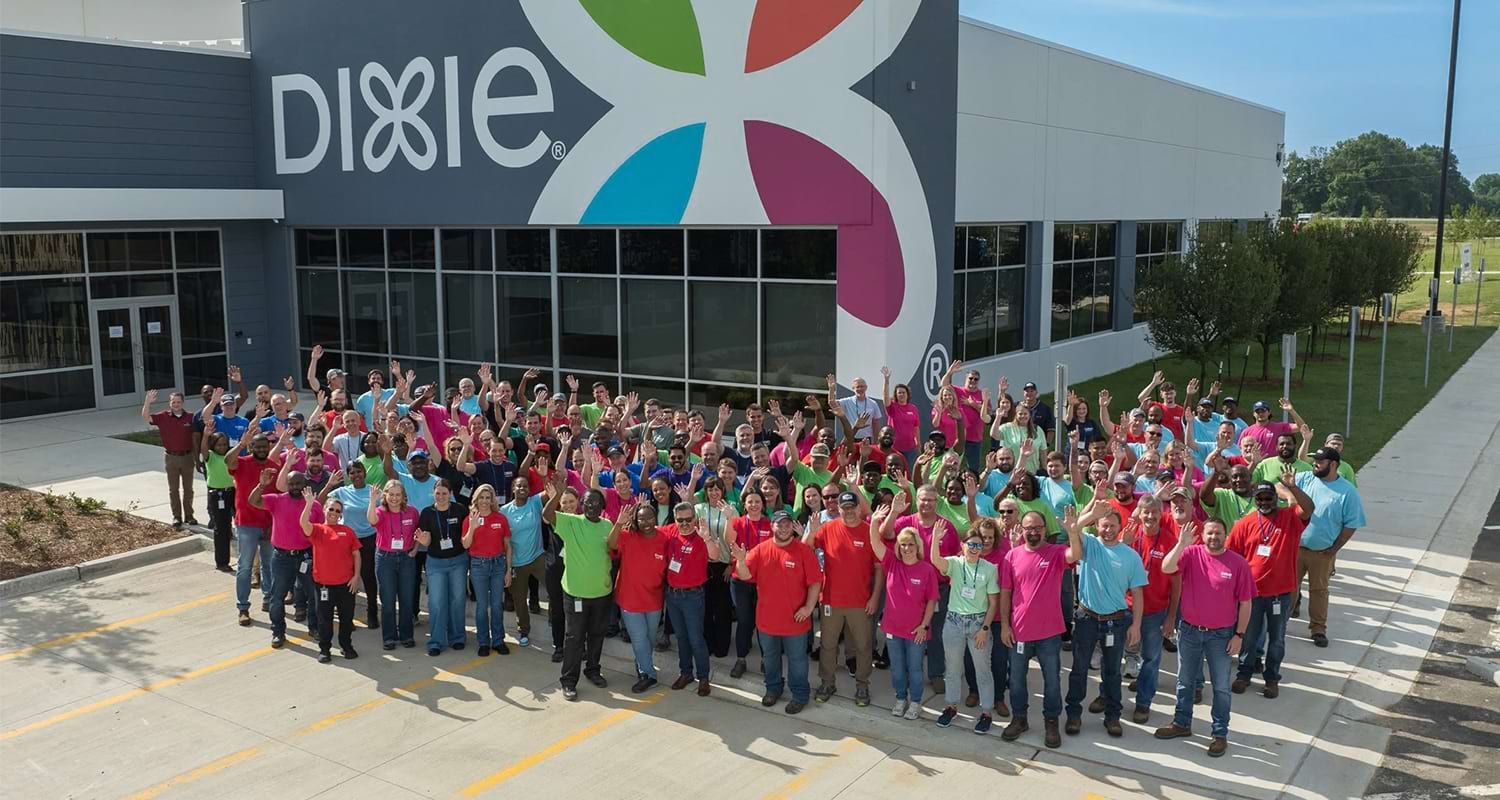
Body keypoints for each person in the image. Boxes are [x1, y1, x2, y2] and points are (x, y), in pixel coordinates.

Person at [1156, 519, 1253, 758]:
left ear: (1225, 535)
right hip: (1189, 631)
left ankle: (1219, 734)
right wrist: (1180, 544)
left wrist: (1239, 635)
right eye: (1209, 533)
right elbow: (1166, 568)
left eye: (1218, 533)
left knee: (1220, 687)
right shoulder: (1191, 554)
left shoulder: (1238, 564)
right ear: (1203, 534)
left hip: (1221, 635)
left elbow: (1246, 602)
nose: (1213, 537)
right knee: (1184, 682)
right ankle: (1181, 723)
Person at [1063, 504, 1147, 738]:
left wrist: (1136, 625)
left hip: (1115, 622)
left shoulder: (1130, 556)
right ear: (1097, 526)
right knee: (1079, 670)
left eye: (1112, 525)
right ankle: (1073, 715)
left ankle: (1112, 717)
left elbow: (1138, 593)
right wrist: (1093, 512)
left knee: (1112, 673)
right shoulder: (1089, 544)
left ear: (1120, 527)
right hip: (1086, 619)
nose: (1108, 530)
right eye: (1103, 525)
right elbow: (1074, 527)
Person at [1227, 473, 1313, 698]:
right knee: (1249, 636)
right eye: (1260, 499)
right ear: (1255, 499)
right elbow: (1232, 556)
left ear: (1276, 498)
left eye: (1269, 498)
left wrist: (1292, 488)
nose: (1264, 502)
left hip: (1280, 594)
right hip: (1252, 594)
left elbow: (1309, 508)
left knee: (1277, 639)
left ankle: (1272, 678)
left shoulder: (1290, 518)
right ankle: (1244, 674)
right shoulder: (1244, 524)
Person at [731, 510, 824, 715]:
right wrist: (739, 559)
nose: (783, 528)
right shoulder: (761, 549)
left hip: (795, 621)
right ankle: (773, 688)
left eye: (787, 524)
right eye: (779, 524)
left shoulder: (802, 551)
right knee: (770, 659)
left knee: (797, 661)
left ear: (792, 526)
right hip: (767, 621)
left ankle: (800, 695)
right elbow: (745, 575)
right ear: (771, 526)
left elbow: (815, 582)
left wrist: (809, 607)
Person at [999, 509, 1078, 748]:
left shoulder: (1055, 553)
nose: (1033, 532)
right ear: (1021, 530)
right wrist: (1004, 625)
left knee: (1052, 680)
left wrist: (1073, 531)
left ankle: (1051, 722)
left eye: (1037, 528)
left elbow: (1075, 554)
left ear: (1045, 529)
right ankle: (1019, 718)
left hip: (1049, 634)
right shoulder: (1011, 556)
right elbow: (1005, 593)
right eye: (1028, 528)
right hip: (1019, 632)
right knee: (1016, 681)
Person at [542, 474, 615, 701]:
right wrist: (555, 497)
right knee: (574, 638)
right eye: (587, 503)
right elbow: (547, 515)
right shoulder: (570, 522)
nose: (592, 506)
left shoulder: (608, 525)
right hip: (576, 594)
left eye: (596, 503)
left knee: (596, 635)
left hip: (601, 593)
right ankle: (569, 681)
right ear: (581, 506)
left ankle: (593, 670)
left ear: (603, 507)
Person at [882, 485, 960, 695]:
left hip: (938, 589)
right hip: (908, 589)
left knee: (935, 631)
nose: (926, 504)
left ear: (937, 502)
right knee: (908, 631)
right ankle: (905, 675)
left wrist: (954, 580)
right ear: (917, 500)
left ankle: (936, 674)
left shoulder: (947, 527)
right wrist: (894, 511)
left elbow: (955, 557)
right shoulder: (907, 522)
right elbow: (886, 533)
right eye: (923, 499)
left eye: (931, 500)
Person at [930, 522, 1002, 735]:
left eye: (979, 545)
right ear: (963, 546)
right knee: (952, 669)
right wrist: (935, 538)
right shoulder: (954, 563)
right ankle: (951, 707)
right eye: (971, 544)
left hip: (978, 623)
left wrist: (985, 629)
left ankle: (986, 712)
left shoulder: (989, 569)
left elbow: (993, 603)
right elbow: (935, 560)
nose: (974, 549)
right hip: (954, 622)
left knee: (983, 670)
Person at [868, 507, 939, 721]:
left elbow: (932, 601)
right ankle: (901, 698)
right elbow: (875, 543)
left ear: (917, 546)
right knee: (898, 669)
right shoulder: (891, 563)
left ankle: (915, 702)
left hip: (916, 631)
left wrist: (924, 626)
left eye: (910, 544)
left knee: (915, 669)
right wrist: (874, 523)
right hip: (892, 629)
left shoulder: (926, 569)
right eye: (903, 544)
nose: (907, 548)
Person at [809, 490, 878, 707]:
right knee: (828, 645)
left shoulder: (870, 532)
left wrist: (875, 598)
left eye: (852, 507)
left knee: (863, 646)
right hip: (830, 600)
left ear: (859, 508)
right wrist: (811, 531)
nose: (848, 512)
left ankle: (862, 685)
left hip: (860, 601)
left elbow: (879, 568)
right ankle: (827, 682)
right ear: (838, 509)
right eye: (844, 508)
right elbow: (806, 548)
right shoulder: (828, 528)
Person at [1293, 447, 1367, 647]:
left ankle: (1318, 629)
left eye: (1320, 461)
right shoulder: (1306, 478)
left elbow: (1352, 523)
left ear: (1333, 464)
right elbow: (1279, 486)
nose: (1315, 464)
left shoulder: (1347, 492)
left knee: (1319, 591)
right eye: (1315, 460)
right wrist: (1291, 493)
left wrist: (1335, 549)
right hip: (1295, 549)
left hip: (1322, 552)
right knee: (1288, 587)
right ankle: (1279, 622)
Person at [249, 463, 324, 648]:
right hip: (282, 557)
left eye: (299, 483)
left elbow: (320, 531)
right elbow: (253, 501)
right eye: (292, 484)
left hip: (306, 556)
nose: (295, 487)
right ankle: (278, 632)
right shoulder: (277, 499)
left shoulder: (314, 505)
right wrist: (261, 485)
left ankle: (314, 628)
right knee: (277, 597)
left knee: (313, 595)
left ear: (305, 483)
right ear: (287, 484)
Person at [1123, 495, 1180, 723]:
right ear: (1139, 513)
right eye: (1145, 512)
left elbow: (1177, 584)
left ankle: (1143, 703)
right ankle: (1108, 699)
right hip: (1124, 607)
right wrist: (1124, 544)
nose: (1149, 517)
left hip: (1155, 611)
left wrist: (1171, 618)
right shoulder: (1129, 536)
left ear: (1161, 514)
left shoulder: (1169, 542)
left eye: (1154, 512)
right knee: (1114, 655)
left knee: (1151, 659)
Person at [658, 502, 721, 697]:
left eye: (688, 519)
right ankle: (686, 673)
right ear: (675, 520)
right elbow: (650, 530)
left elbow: (715, 556)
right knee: (682, 638)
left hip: (693, 596)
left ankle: (703, 677)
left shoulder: (702, 536)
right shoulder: (671, 531)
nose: (684, 524)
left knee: (696, 638)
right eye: (680, 520)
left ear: (694, 519)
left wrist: (707, 538)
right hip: (673, 595)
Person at [612, 498, 671, 693]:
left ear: (656, 518)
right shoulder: (628, 536)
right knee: (639, 638)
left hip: (654, 599)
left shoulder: (664, 538)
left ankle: (641, 666)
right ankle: (649, 674)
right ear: (636, 520)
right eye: (641, 519)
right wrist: (620, 523)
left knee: (649, 638)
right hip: (630, 598)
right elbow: (611, 544)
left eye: (650, 518)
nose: (646, 522)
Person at [299, 493, 361, 663]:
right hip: (324, 585)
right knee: (324, 619)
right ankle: (325, 648)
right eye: (331, 509)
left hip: (346, 585)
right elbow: (304, 523)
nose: (334, 513)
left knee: (346, 618)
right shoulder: (318, 529)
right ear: (325, 510)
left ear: (341, 514)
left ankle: (346, 646)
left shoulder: (348, 531)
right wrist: (309, 504)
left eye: (338, 511)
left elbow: (356, 555)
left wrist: (356, 577)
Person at [417, 483, 469, 656]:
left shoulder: (460, 510)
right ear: (433, 494)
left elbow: (466, 535)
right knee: (437, 602)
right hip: (436, 563)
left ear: (451, 494)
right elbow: (426, 538)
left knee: (457, 600)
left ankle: (458, 637)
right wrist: (424, 542)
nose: (440, 496)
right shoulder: (427, 513)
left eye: (444, 493)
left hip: (458, 561)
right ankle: (437, 641)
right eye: (437, 493)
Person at [367, 480, 419, 650]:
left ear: (403, 496)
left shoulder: (412, 512)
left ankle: (406, 635)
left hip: (407, 558)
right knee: (388, 600)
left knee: (406, 599)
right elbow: (372, 520)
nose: (395, 498)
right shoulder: (380, 511)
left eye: (398, 495)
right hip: (385, 559)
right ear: (386, 495)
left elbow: (419, 533)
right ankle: (389, 637)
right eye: (391, 494)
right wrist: (372, 500)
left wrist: (415, 549)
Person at [462, 483, 513, 656]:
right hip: (478, 566)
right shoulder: (470, 519)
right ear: (476, 499)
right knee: (482, 606)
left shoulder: (500, 518)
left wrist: (508, 570)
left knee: (497, 605)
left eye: (488, 497)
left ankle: (498, 640)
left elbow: (508, 546)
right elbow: (465, 544)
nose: (484, 501)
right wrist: (472, 527)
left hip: (498, 565)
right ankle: (483, 642)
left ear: (492, 500)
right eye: (481, 497)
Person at [501, 475, 549, 656]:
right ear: (513, 489)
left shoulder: (535, 502)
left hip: (537, 557)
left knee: (554, 588)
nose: (523, 489)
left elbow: (552, 488)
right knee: (519, 599)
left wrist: (544, 475)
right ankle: (524, 631)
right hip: (516, 562)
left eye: (526, 486)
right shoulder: (505, 511)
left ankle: (555, 620)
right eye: (519, 486)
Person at [728, 491, 774, 678]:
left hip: (763, 582)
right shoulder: (738, 522)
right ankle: (741, 660)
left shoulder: (770, 524)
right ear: (744, 505)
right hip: (740, 580)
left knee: (763, 623)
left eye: (757, 501)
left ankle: (766, 660)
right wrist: (729, 518)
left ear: (763, 504)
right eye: (750, 502)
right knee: (744, 622)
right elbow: (729, 540)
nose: (754, 505)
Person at [328, 462, 379, 629]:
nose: (356, 475)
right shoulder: (342, 492)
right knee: (345, 577)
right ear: (348, 475)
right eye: (352, 472)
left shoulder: (374, 491)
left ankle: (372, 613)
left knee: (368, 577)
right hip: (346, 540)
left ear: (364, 473)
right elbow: (321, 502)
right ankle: (346, 615)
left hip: (368, 539)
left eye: (359, 471)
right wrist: (330, 484)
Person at [142, 389, 198, 528]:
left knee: (188, 489)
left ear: (183, 402)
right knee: (173, 490)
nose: (176, 404)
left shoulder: (191, 417)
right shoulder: (163, 416)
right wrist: (147, 402)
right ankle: (177, 516)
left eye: (178, 402)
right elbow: (146, 417)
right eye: (173, 402)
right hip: (171, 457)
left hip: (187, 457)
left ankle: (189, 515)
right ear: (170, 403)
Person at [198, 412, 236, 572]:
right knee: (221, 528)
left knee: (238, 524)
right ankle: (222, 562)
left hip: (233, 492)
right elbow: (203, 449)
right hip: (217, 494)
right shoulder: (210, 456)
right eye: (219, 445)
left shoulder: (230, 455)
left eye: (224, 444)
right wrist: (206, 436)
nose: (222, 447)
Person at [881, 367, 921, 468]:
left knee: (910, 473)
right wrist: (886, 381)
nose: (902, 394)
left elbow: (916, 427)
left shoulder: (913, 408)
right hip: (895, 447)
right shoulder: (892, 407)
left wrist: (918, 444)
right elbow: (885, 398)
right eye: (899, 393)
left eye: (903, 392)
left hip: (910, 448)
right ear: (896, 395)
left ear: (907, 394)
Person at [828, 372, 884, 443]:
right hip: (851, 437)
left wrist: (876, 442)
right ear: (853, 388)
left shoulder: (873, 403)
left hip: (866, 439)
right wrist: (831, 389)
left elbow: (876, 424)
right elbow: (832, 403)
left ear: (866, 387)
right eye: (857, 387)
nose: (860, 389)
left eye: (862, 386)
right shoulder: (847, 401)